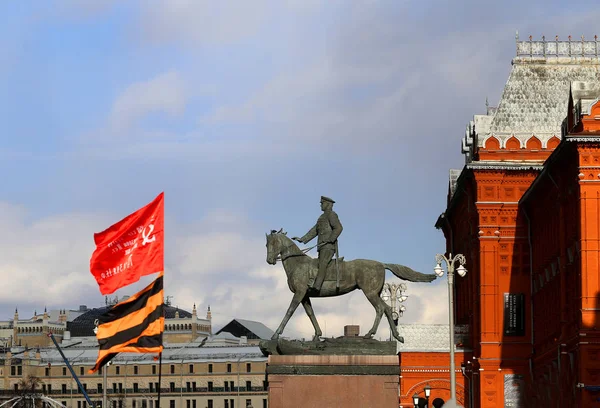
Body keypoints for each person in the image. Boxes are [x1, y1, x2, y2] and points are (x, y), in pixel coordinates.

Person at [292, 196, 343, 291]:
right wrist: (302, 239)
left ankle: (317, 286)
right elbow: (314, 231)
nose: (321, 205)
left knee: (323, 264)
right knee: (318, 264)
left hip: (328, 246)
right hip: (322, 246)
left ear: (327, 204)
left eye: (322, 203)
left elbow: (339, 228)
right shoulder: (322, 217)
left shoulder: (332, 215)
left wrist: (331, 239)